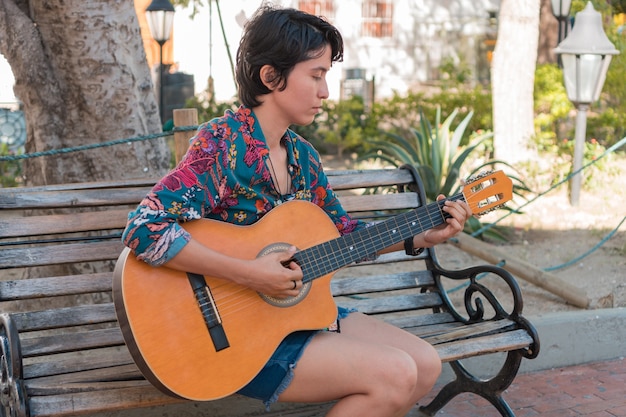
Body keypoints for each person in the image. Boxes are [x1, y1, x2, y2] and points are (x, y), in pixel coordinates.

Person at [122, 5, 472, 417]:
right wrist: (251, 272)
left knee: (426, 364)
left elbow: (343, 235)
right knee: (395, 373)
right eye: (317, 75)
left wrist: (419, 236)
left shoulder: (302, 157)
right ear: (271, 77)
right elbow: (144, 227)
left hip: (296, 318)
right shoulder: (224, 143)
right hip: (232, 339)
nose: (326, 92)